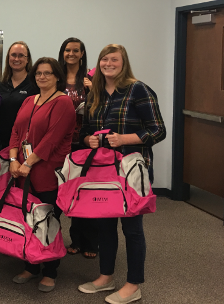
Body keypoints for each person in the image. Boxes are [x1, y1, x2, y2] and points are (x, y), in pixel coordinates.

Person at [77, 44, 166, 304]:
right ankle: (106, 277)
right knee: (104, 225)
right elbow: (84, 131)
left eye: (113, 59)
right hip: (102, 171)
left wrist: (125, 138)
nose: (108, 64)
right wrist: (88, 140)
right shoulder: (94, 93)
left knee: (132, 229)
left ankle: (133, 284)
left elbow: (158, 130)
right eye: (104, 59)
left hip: (131, 171)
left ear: (123, 62)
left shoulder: (138, 90)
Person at [8, 57, 74, 292]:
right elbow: (16, 131)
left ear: (58, 76)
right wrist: (14, 159)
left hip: (47, 172)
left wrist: (28, 162)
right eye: (38, 73)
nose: (42, 77)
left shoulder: (63, 103)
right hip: (24, 171)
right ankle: (31, 265)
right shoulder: (29, 100)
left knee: (48, 221)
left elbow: (52, 141)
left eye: (47, 73)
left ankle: (50, 271)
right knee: (27, 219)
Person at [57, 37, 99, 259]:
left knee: (86, 192)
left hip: (83, 143)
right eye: (67, 50)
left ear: (82, 54)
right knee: (68, 192)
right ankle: (74, 239)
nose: (71, 54)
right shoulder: (57, 79)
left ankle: (90, 241)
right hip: (60, 144)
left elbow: (101, 108)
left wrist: (93, 91)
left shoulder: (91, 79)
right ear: (62, 53)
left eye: (75, 50)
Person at [0, 41, 39, 149]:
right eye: (13, 55)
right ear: (8, 58)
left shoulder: (35, 84)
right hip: (3, 141)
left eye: (21, 55)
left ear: (27, 60)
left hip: (26, 142)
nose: (16, 59)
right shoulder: (1, 84)